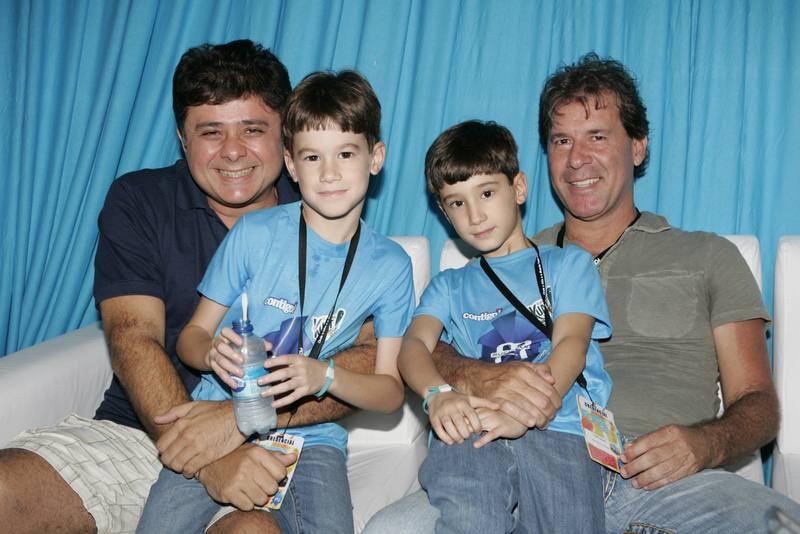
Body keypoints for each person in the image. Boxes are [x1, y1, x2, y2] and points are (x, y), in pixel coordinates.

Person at [365, 53, 800, 533]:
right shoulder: (491, 264)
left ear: (638, 147)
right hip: (508, 462)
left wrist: (705, 444)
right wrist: (472, 378)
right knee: (392, 529)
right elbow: (423, 346)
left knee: (780, 523)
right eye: (562, 141)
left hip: (659, 484)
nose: (577, 159)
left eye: (597, 137)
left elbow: (758, 403)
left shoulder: (707, 255)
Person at [0, 40, 379, 533]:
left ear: (285, 138)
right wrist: (204, 457)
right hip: (145, 429)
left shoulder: (328, 211)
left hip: (274, 441)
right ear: (182, 138)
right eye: (210, 132)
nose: (233, 151)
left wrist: (240, 419)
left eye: (252, 129)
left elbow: (369, 360)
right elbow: (134, 336)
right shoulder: (140, 200)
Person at [136, 68, 415, 534]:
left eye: (346, 153)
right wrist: (210, 353)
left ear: (376, 157)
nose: (329, 173)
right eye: (312, 156)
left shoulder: (391, 265)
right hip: (216, 415)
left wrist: (325, 375)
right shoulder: (254, 234)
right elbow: (191, 337)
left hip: (312, 437)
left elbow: (390, 393)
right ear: (291, 164)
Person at [398, 120, 611, 533]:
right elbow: (412, 348)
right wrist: (437, 395)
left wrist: (522, 412)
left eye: (487, 193)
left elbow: (572, 344)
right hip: (472, 425)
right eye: (457, 203)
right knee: (470, 517)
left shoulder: (568, 264)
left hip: (558, 425)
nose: (475, 215)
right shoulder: (448, 286)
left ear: (519, 188)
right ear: (443, 212)